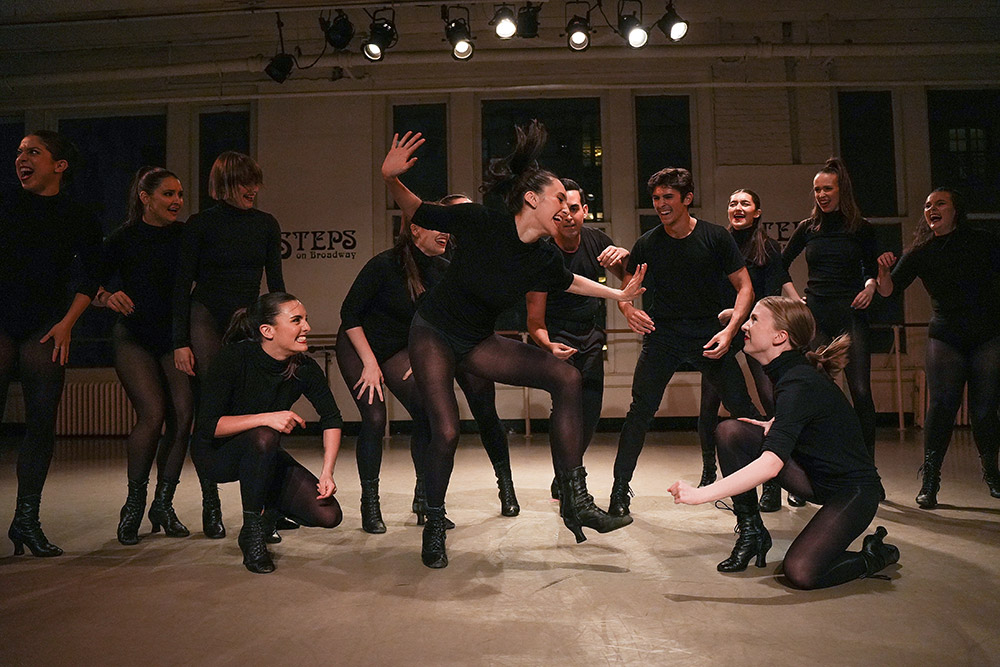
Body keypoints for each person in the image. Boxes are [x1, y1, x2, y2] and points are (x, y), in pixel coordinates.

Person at [382, 123, 646, 568]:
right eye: (559, 198)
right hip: (433, 332)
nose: (567, 206)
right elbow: (418, 210)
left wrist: (618, 295)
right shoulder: (481, 221)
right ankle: (434, 522)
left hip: (477, 340)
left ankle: (574, 497)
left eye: (569, 201)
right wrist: (391, 177)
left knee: (566, 377)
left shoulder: (542, 255)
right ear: (532, 199)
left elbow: (573, 282)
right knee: (445, 431)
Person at [668, 297, 899, 590]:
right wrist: (775, 426)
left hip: (853, 492)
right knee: (731, 433)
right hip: (813, 478)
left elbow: (771, 464)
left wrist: (701, 494)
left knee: (801, 571)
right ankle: (752, 533)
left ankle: (872, 557)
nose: (746, 327)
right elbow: (806, 420)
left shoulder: (798, 381)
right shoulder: (789, 374)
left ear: (780, 337)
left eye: (754, 320)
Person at [337, 199, 519, 533]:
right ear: (415, 228)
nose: (445, 233)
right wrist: (369, 363)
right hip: (360, 345)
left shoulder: (444, 269)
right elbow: (349, 314)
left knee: (425, 407)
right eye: (438, 226)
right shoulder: (384, 264)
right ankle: (370, 504)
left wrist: (421, 358)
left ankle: (424, 497)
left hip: (402, 348)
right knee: (375, 418)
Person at [610, 168, 760, 518]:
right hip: (663, 336)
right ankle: (619, 490)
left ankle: (763, 483)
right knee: (639, 412)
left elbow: (745, 288)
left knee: (744, 410)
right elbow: (626, 290)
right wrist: (627, 310)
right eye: (656, 199)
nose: (661, 204)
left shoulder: (715, 237)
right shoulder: (648, 243)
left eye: (668, 198)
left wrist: (731, 330)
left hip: (709, 333)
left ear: (686, 199)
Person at [172, 151, 285, 540]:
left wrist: (285, 328)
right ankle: (210, 501)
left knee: (258, 404)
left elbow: (277, 283)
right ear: (224, 185)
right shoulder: (200, 225)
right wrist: (180, 342)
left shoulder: (266, 224)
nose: (252, 189)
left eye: (255, 182)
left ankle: (263, 505)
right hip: (205, 315)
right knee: (211, 405)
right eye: (243, 182)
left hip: (247, 318)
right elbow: (181, 286)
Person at [191, 292, 343, 574]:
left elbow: (332, 418)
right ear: (267, 331)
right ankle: (252, 532)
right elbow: (208, 426)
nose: (306, 327)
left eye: (306, 320)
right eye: (297, 320)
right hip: (215, 455)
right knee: (264, 434)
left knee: (329, 514)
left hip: (263, 454)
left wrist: (327, 472)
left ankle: (270, 511)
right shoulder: (234, 358)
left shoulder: (304, 368)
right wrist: (268, 417)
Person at [1, 131, 101, 557]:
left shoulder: (77, 214)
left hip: (45, 326)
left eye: (33, 151)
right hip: (1, 323)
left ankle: (26, 521)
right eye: (20, 152)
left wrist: (67, 324)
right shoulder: (5, 204)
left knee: (41, 425)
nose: (21, 157)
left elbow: (91, 274)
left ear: (59, 165)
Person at [876, 188, 1000, 508]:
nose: (932, 208)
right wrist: (882, 273)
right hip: (946, 336)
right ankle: (930, 480)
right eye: (928, 205)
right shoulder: (921, 251)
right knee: (942, 405)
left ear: (956, 210)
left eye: (940, 203)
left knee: (984, 410)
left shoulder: (983, 241)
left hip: (987, 334)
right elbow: (889, 291)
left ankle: (992, 472)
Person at [94, 167, 194, 545]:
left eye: (180, 194)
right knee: (152, 415)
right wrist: (106, 297)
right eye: (168, 194)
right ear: (145, 197)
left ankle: (163, 504)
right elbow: (88, 282)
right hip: (133, 336)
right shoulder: (122, 238)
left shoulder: (185, 236)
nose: (177, 201)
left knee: (184, 415)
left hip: (173, 337)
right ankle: (133, 504)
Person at [697, 189, 802, 512]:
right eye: (732, 203)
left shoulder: (766, 246)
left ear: (757, 212)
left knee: (772, 401)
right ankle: (709, 471)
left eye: (745, 203)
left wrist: (795, 303)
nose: (737, 208)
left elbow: (775, 288)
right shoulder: (718, 241)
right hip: (724, 329)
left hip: (754, 329)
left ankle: (773, 483)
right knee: (709, 404)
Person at [525, 178, 628, 499]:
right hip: (555, 338)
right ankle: (569, 478)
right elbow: (534, 320)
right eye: (561, 209)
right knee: (567, 408)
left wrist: (627, 256)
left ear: (584, 211)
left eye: (574, 208)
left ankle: (568, 470)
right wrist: (548, 345)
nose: (568, 215)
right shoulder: (542, 253)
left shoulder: (597, 241)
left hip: (591, 336)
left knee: (591, 411)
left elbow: (630, 280)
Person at [782, 157, 878, 457]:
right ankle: (812, 463)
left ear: (841, 191)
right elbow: (778, 266)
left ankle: (867, 468)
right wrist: (795, 298)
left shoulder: (860, 228)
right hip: (817, 318)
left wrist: (870, 286)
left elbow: (871, 269)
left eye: (827, 189)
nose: (821, 195)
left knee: (860, 392)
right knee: (813, 392)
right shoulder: (808, 228)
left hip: (850, 315)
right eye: (817, 190)